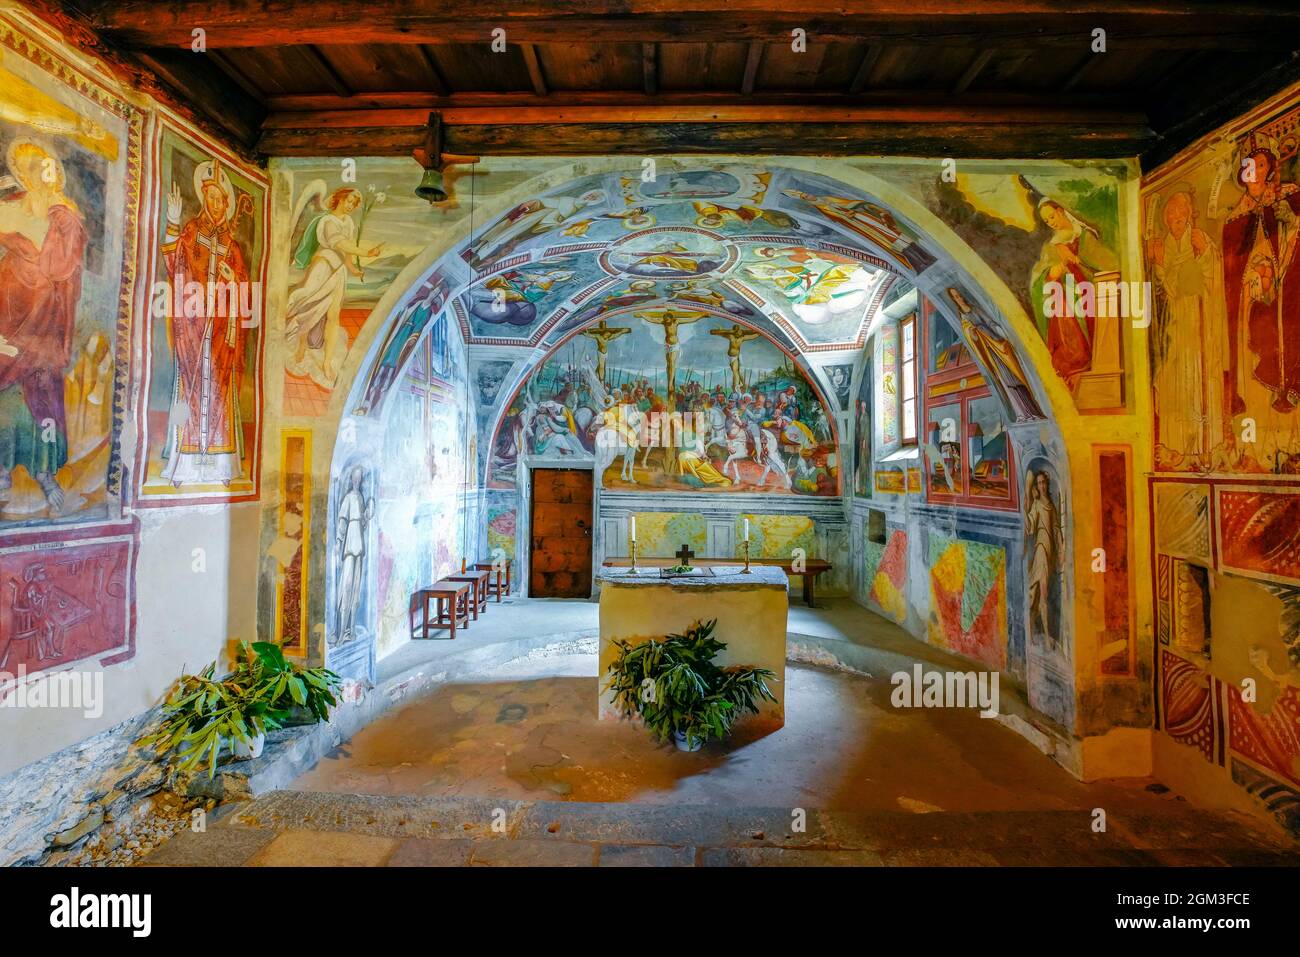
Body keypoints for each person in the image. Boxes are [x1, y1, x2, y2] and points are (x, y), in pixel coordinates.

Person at [0, 141, 87, 513]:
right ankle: (2, 467)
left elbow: (61, 269)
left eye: (48, 169)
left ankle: (45, 470)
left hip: (48, 323)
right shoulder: (10, 207)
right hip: (9, 313)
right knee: (9, 397)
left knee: (45, 396)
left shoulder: (64, 217)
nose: (43, 175)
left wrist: (66, 222)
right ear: (23, 173)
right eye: (34, 168)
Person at [159, 158, 251, 487]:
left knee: (221, 394)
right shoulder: (192, 232)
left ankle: (224, 465)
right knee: (191, 387)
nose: (215, 204)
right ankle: (183, 465)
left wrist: (232, 278)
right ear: (203, 200)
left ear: (226, 203)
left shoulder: (233, 247)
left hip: (222, 331)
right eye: (210, 198)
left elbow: (243, 287)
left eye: (220, 199)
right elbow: (174, 263)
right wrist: (172, 221)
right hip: (194, 328)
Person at [285, 187, 383, 389]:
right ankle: (300, 345)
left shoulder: (348, 223)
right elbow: (341, 245)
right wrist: (366, 252)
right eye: (349, 201)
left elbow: (345, 253)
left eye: (354, 204)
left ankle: (327, 362)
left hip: (339, 272)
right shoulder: (328, 221)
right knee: (308, 305)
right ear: (339, 198)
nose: (351, 206)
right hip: (323, 266)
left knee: (333, 316)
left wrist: (354, 270)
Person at [1024, 469, 1065, 649]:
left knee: (1037, 595)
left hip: (1050, 552)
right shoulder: (1037, 505)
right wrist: (1026, 505)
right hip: (1040, 550)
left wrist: (1062, 548)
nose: (1041, 485)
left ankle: (1032, 632)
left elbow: (1056, 529)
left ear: (1047, 484)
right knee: (1042, 595)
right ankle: (1047, 638)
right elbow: (1031, 529)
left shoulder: (1051, 505)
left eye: (1043, 482)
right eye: (1038, 483)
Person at [334, 465, 373, 645]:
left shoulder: (361, 497)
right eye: (355, 477)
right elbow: (342, 520)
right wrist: (338, 542)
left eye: (360, 478)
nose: (357, 480)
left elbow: (363, 523)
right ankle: (341, 631)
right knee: (346, 585)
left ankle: (350, 629)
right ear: (351, 479)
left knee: (356, 587)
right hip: (350, 542)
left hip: (359, 543)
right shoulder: (349, 498)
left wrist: (366, 516)